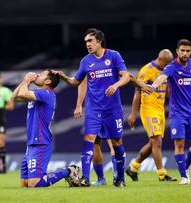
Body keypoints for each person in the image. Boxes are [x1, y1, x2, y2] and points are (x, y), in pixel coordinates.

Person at [55, 28, 148, 187]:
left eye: (90, 41)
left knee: (117, 142)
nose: (88, 44)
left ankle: (120, 179)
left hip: (112, 109)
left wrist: (116, 84)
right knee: (89, 139)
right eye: (86, 42)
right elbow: (76, 81)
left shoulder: (113, 55)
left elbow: (126, 76)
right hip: (93, 109)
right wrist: (63, 76)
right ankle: (85, 177)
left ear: (99, 41)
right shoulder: (85, 61)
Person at [149, 39, 191, 185]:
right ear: (177, 51)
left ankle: (185, 166)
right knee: (179, 144)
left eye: (187, 51)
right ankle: (184, 177)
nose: (185, 53)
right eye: (182, 50)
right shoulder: (171, 67)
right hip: (177, 114)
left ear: (190, 52)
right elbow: (162, 77)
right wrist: (154, 86)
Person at [12, 70, 80, 187]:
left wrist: (27, 80)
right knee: (24, 184)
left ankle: (69, 171)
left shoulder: (46, 94)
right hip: (31, 143)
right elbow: (14, 97)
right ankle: (68, 172)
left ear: (47, 81)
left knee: (34, 183)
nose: (38, 75)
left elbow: (23, 93)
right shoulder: (39, 93)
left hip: (41, 142)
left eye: (42, 74)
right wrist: (24, 81)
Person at [126, 49, 177, 182]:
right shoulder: (146, 70)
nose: (167, 67)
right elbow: (137, 92)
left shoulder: (165, 71)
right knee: (157, 142)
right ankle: (162, 174)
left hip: (160, 110)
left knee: (153, 143)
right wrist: (133, 113)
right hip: (148, 109)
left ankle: (133, 167)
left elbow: (166, 93)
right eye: (166, 65)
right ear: (161, 61)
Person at [74, 77, 117, 186]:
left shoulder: (109, 62)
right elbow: (80, 82)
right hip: (94, 110)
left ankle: (117, 177)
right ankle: (101, 179)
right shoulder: (88, 65)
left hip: (108, 109)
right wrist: (79, 105)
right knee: (95, 144)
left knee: (113, 143)